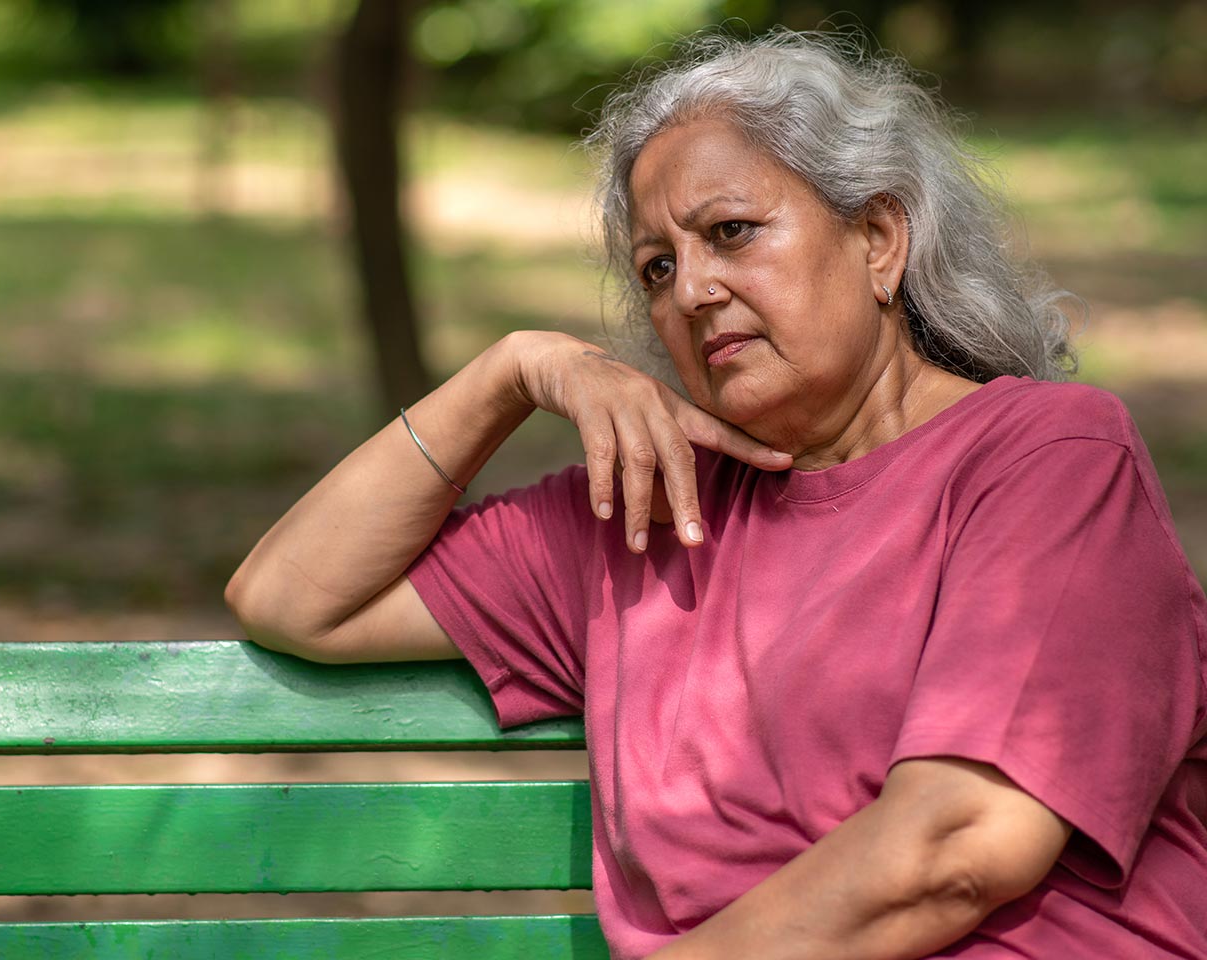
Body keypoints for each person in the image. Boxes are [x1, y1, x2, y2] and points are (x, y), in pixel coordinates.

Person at [227, 30, 1207, 960]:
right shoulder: (638, 515)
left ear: (877, 238)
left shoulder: (1047, 459)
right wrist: (515, 370)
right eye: (657, 267)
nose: (690, 290)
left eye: (731, 234)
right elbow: (291, 597)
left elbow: (959, 847)